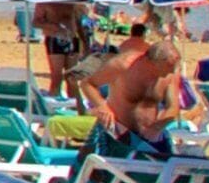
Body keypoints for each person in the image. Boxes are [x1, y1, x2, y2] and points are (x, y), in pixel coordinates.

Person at [81, 21, 193, 163]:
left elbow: (173, 107)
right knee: (99, 178)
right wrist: (102, 106)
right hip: (119, 132)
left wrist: (157, 126)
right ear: (150, 62)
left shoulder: (171, 73)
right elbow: (88, 84)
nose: (168, 74)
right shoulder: (122, 65)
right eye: (165, 70)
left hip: (150, 136)